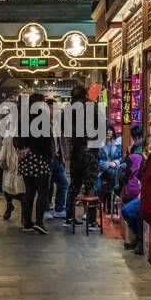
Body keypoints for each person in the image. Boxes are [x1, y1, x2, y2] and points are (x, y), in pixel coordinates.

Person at [17, 93, 55, 234]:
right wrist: (48, 156)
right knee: (43, 192)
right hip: (40, 160)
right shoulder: (42, 117)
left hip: (26, 160)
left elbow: (18, 138)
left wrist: (22, 149)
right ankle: (39, 222)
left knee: (29, 192)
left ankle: (27, 222)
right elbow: (44, 141)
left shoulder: (23, 117)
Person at [64, 84, 101, 230]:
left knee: (74, 184)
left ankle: (69, 217)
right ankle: (91, 220)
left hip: (75, 151)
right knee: (90, 185)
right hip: (90, 150)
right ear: (85, 94)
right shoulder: (91, 106)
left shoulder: (69, 109)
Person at [118, 127, 148, 253]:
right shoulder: (141, 159)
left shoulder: (134, 156)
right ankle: (140, 237)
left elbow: (124, 178)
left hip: (147, 195)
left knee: (138, 211)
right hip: (142, 194)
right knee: (129, 210)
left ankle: (140, 239)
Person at [48, 101, 70, 218]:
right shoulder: (42, 124)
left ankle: (59, 209)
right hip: (47, 160)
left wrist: (65, 155)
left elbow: (62, 140)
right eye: (53, 109)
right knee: (48, 186)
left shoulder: (57, 123)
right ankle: (46, 209)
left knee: (63, 184)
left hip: (58, 159)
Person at [0, 125, 24, 221]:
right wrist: (1, 159)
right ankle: (9, 206)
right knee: (7, 188)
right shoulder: (9, 129)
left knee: (23, 191)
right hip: (9, 164)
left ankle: (24, 214)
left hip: (21, 164)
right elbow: (4, 145)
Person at [98, 127, 124, 214]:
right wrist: (107, 164)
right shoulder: (99, 144)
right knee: (98, 186)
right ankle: (113, 200)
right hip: (101, 170)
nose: (108, 132)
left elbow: (120, 158)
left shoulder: (117, 144)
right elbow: (96, 160)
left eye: (110, 131)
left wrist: (116, 162)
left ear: (113, 132)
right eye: (106, 131)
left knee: (116, 172)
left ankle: (113, 201)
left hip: (113, 169)